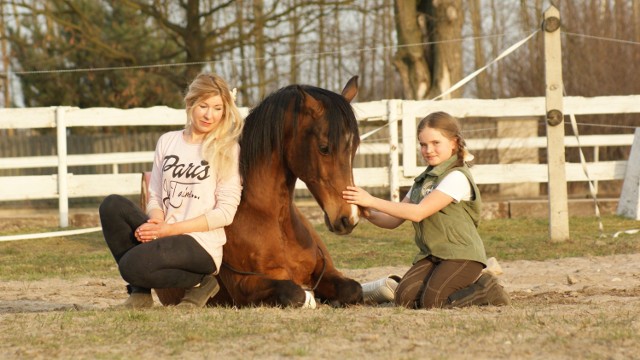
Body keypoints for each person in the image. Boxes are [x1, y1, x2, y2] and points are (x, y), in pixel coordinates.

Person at [99, 73, 243, 309]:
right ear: (190, 104)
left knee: (130, 266)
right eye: (203, 106)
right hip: (166, 231)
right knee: (112, 206)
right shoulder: (168, 141)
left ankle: (203, 282)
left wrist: (171, 229)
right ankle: (140, 293)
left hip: (199, 242)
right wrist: (157, 220)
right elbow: (155, 194)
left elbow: (225, 212)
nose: (209, 115)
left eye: (217, 108)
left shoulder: (227, 149)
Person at [343, 111, 509, 309]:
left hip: (462, 256)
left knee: (433, 302)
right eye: (423, 144)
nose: (428, 150)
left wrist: (371, 199)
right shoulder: (423, 181)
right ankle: (435, 284)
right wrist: (366, 211)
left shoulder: (456, 177)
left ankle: (486, 288)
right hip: (432, 255)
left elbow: (418, 212)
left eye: (435, 143)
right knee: (404, 299)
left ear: (454, 143)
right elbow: (392, 220)